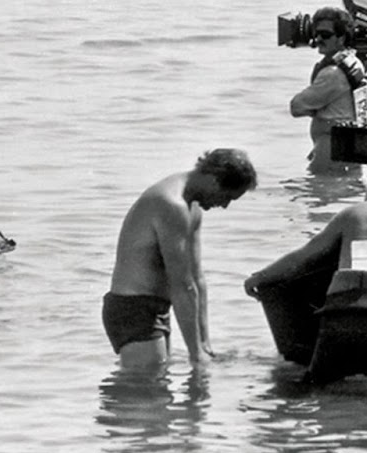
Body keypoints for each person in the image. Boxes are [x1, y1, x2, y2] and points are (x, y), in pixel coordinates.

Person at [245, 152, 367, 394]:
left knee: (312, 388)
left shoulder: (356, 213)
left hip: (338, 315)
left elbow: (303, 258)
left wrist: (259, 278)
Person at [104, 149, 259, 372]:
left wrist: (204, 344)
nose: (224, 205)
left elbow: (197, 278)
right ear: (214, 180)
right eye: (227, 197)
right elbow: (182, 284)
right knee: (144, 387)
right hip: (133, 309)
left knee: (157, 386)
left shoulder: (192, 208)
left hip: (156, 308)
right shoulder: (171, 204)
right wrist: (195, 353)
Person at [289, 5, 367, 170]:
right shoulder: (353, 61)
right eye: (316, 33)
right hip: (348, 143)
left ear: (341, 38)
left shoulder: (332, 74)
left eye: (325, 35)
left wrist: (315, 110)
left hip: (333, 144)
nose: (318, 39)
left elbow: (296, 107)